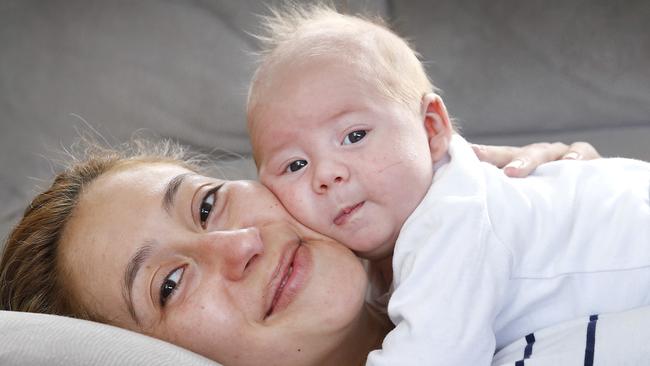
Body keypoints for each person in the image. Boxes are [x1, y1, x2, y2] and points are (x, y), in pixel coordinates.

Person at [246, 4, 650, 365]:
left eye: (354, 136)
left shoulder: (450, 219)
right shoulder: (375, 261)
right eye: (295, 164)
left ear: (431, 129)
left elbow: (435, 356)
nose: (326, 174)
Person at [0, 137, 600, 366]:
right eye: (170, 284)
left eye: (207, 206)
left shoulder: (470, 210)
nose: (239, 245)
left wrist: (591, 210)